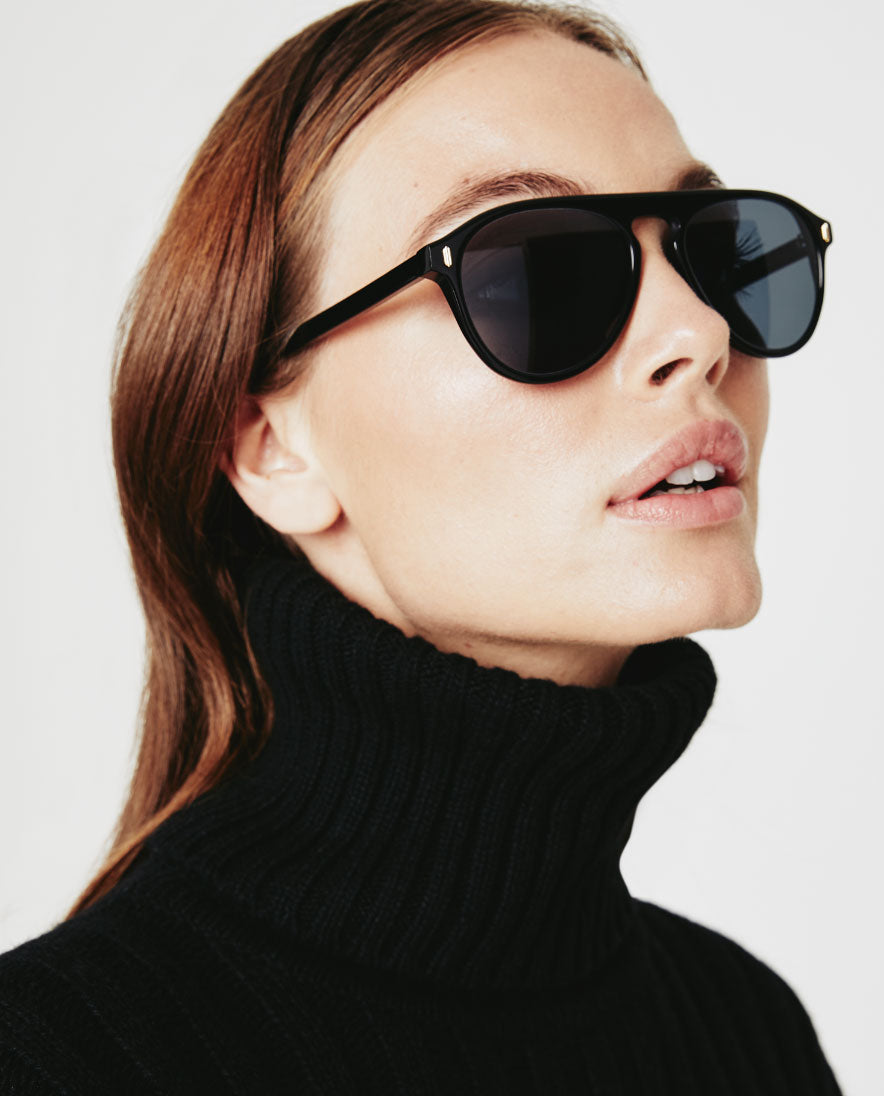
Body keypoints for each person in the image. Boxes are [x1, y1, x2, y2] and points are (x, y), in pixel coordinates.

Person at [0, 0, 841, 1091]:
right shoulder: (58, 1059)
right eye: (535, 270)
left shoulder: (744, 1035)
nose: (700, 331)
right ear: (270, 448)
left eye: (714, 252)